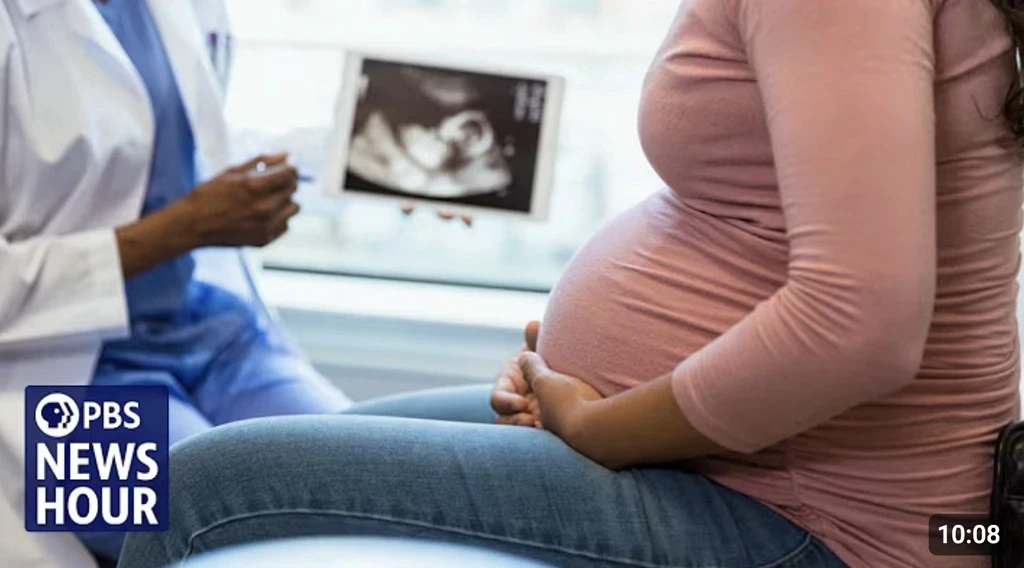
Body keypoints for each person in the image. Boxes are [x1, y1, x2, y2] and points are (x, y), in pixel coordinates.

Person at [120, 1, 1024, 567]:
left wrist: (594, 394)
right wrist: (171, 233)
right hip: (54, 371)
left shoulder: (159, 13)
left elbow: (842, 291)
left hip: (219, 338)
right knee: (133, 495)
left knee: (234, 475)